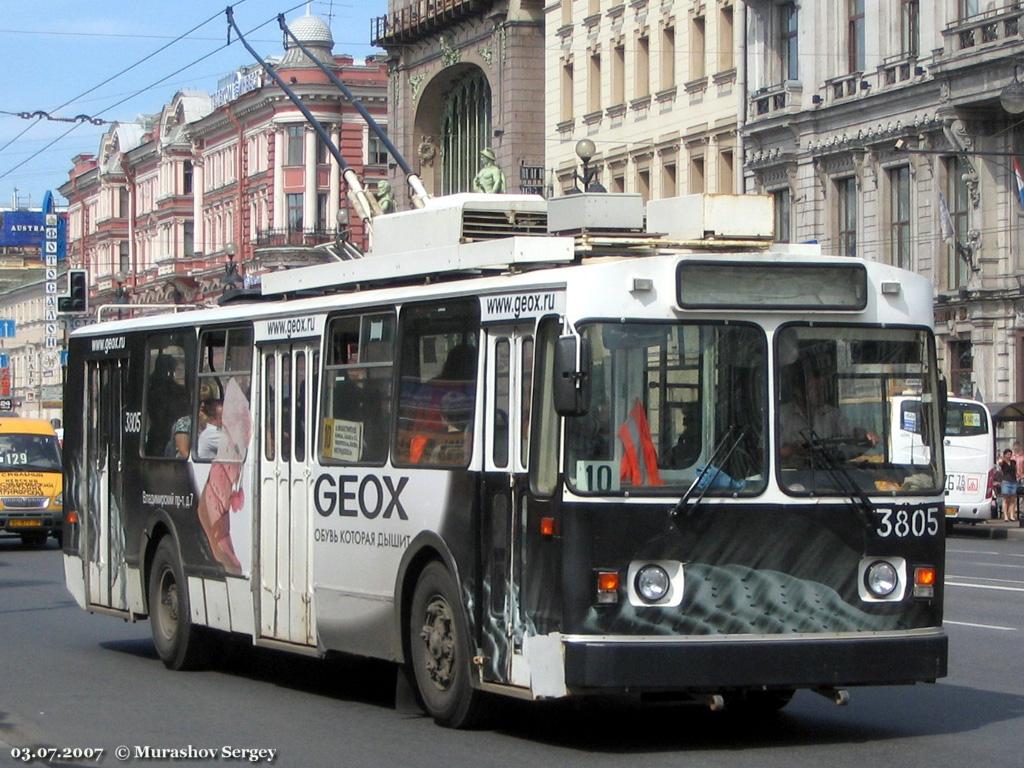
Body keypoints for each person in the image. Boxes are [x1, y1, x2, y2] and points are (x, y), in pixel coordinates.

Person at [778, 362, 878, 467]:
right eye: (815, 388)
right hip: (790, 479)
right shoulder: (781, 415)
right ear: (798, 392)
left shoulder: (832, 414)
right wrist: (792, 450)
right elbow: (762, 454)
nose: (821, 393)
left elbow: (849, 431)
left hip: (829, 475)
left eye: (823, 388)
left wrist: (862, 434)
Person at [998, 448, 1019, 522]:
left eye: (1010, 454)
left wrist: (1018, 475)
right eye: (1008, 454)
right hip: (1006, 482)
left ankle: (1012, 515)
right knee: (1005, 499)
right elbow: (999, 462)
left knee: (1013, 500)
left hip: (1013, 481)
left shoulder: (1013, 462)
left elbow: (1016, 470)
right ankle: (1006, 516)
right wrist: (1001, 457)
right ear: (1005, 455)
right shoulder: (1003, 462)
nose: (1009, 455)